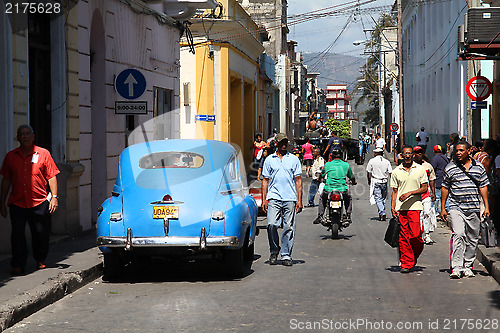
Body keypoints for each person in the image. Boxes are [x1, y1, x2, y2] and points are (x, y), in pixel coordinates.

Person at [0, 125, 60, 275]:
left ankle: (40, 259)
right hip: (17, 202)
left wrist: (54, 198)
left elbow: (51, 176)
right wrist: (2, 201)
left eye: (27, 134)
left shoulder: (44, 154)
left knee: (40, 233)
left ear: (33, 136)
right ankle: (18, 265)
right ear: (18, 138)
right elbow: (6, 180)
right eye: (22, 134)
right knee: (17, 235)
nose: (25, 136)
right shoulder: (10, 156)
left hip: (39, 202)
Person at [441, 141, 490, 279]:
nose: (458, 153)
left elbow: (483, 187)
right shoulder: (450, 167)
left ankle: (467, 265)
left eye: (461, 150)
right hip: (456, 207)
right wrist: (443, 207)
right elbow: (445, 187)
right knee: (458, 234)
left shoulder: (478, 167)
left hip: (473, 208)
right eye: (457, 150)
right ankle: (456, 267)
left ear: (469, 151)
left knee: (472, 238)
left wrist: (486, 206)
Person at [261, 133, 303, 267]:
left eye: (286, 142)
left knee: (288, 227)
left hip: (290, 198)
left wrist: (299, 199)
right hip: (273, 197)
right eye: (281, 142)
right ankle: (274, 251)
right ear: (276, 144)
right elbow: (265, 181)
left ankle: (286, 255)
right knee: (272, 224)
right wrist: (263, 199)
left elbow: (298, 181)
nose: (284, 145)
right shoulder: (269, 159)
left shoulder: (293, 159)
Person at [390, 145, 429, 274]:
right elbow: (394, 191)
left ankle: (412, 256)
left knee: (416, 235)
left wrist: (410, 193)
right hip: (401, 209)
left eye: (409, 154)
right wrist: (393, 206)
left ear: (413, 155)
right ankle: (406, 264)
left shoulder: (420, 170)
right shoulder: (396, 171)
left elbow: (424, 188)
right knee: (403, 238)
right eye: (405, 154)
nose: (407, 156)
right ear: (402, 155)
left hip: (415, 207)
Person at [313, 148, 357, 225]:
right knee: (348, 198)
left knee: (322, 198)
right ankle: (348, 215)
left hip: (329, 189)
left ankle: (320, 216)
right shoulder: (346, 165)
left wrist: (319, 179)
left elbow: (321, 175)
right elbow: (351, 176)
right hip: (342, 190)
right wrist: (353, 182)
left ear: (332, 156)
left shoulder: (327, 164)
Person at [413, 146, 437, 244]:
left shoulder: (428, 166)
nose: (419, 154)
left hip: (426, 194)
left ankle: (427, 235)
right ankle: (418, 234)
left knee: (427, 213)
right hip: (415, 195)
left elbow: (431, 180)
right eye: (417, 153)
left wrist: (433, 193)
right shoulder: (411, 166)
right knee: (418, 216)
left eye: (420, 153)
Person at [366, 147, 392, 221]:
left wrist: (369, 180)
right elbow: (390, 172)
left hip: (376, 181)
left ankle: (382, 212)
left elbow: (369, 172)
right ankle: (381, 212)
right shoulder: (386, 161)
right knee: (383, 197)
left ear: (375, 153)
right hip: (384, 181)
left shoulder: (372, 161)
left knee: (378, 198)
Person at [430, 145, 449, 217]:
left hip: (438, 180)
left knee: (437, 197)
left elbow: (432, 169)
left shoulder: (435, 159)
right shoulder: (445, 158)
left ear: (434, 151)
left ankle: (435, 211)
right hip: (445, 179)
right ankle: (447, 209)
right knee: (445, 196)